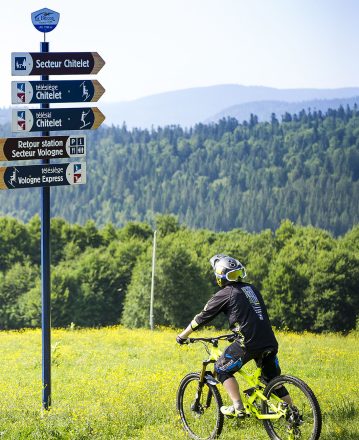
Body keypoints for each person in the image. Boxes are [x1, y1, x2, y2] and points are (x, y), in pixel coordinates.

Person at [176, 254, 290, 419]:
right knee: (273, 380)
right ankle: (293, 413)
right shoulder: (252, 289)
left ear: (220, 276)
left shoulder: (226, 293)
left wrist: (182, 335)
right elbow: (250, 315)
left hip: (248, 343)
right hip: (270, 342)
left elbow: (202, 317)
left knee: (221, 369)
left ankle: (238, 407)